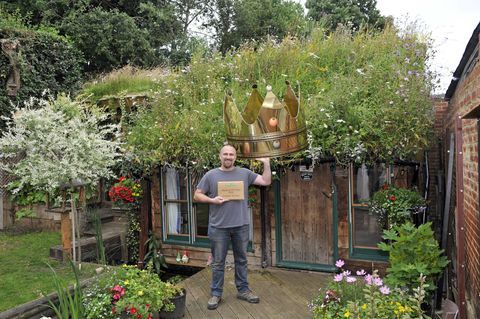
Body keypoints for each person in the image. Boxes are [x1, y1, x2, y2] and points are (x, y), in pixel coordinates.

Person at [193, 144, 271, 310]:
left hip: (240, 226)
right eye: (225, 154)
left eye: (231, 154)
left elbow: (265, 181)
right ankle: (216, 293)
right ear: (220, 156)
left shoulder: (244, 173)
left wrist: (266, 163)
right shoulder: (211, 175)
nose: (228, 157)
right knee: (218, 262)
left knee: (241, 260)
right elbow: (197, 195)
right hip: (218, 227)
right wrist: (212, 200)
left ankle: (243, 290)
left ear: (235, 157)